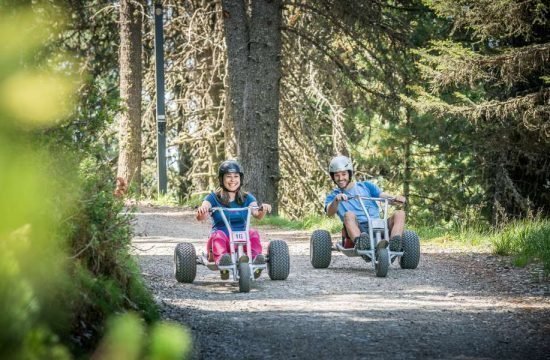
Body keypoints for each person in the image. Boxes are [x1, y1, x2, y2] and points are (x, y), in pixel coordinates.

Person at [196, 160, 272, 279]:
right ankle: (223, 261)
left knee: (253, 233)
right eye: (228, 177)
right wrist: (202, 210)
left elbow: (257, 213)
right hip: (221, 241)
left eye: (236, 176)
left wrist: (263, 209)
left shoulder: (247, 198)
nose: (232, 180)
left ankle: (256, 260)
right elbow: (202, 216)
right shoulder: (213, 198)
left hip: (242, 239)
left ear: (240, 179)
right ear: (222, 179)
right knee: (218, 235)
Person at [324, 155, 406, 251]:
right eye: (337, 175)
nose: (341, 178)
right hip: (359, 229)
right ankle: (362, 245)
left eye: (343, 174)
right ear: (333, 177)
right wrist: (336, 201)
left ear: (349, 174)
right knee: (349, 215)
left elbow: (383, 196)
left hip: (379, 225)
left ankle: (394, 243)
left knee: (400, 214)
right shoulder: (333, 196)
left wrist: (395, 198)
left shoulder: (366, 186)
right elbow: (329, 212)